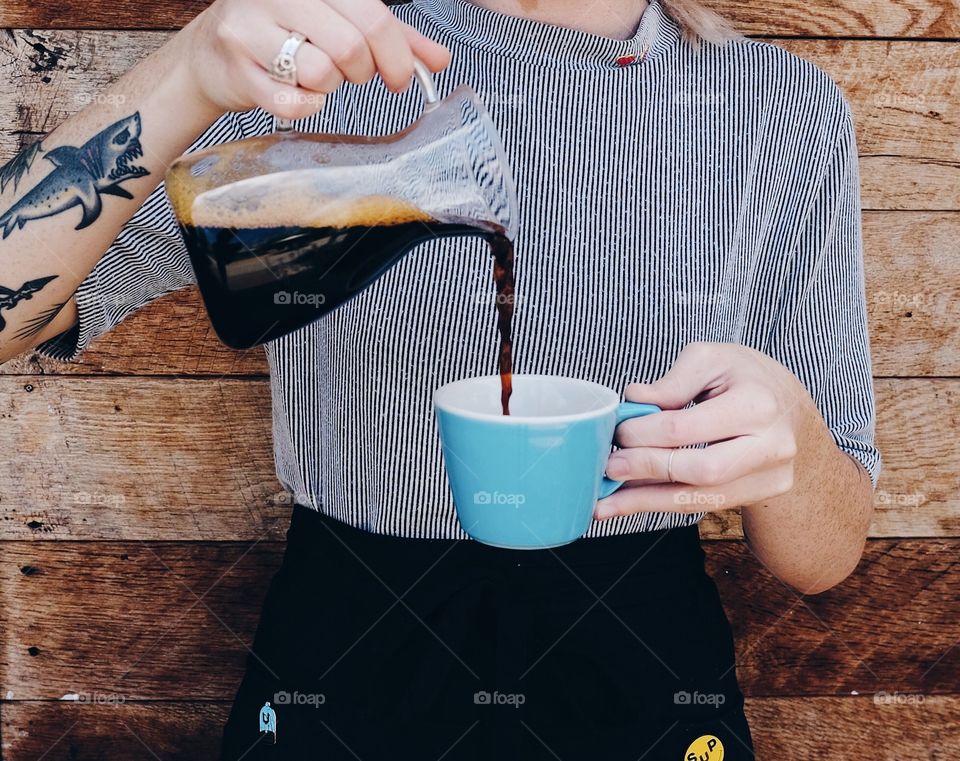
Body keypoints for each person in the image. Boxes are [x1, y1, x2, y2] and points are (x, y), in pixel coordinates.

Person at [0, 0, 880, 758]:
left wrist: (794, 433)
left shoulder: (777, 108)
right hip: (349, 651)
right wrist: (191, 68)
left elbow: (826, 556)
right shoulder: (317, 59)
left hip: (640, 659)